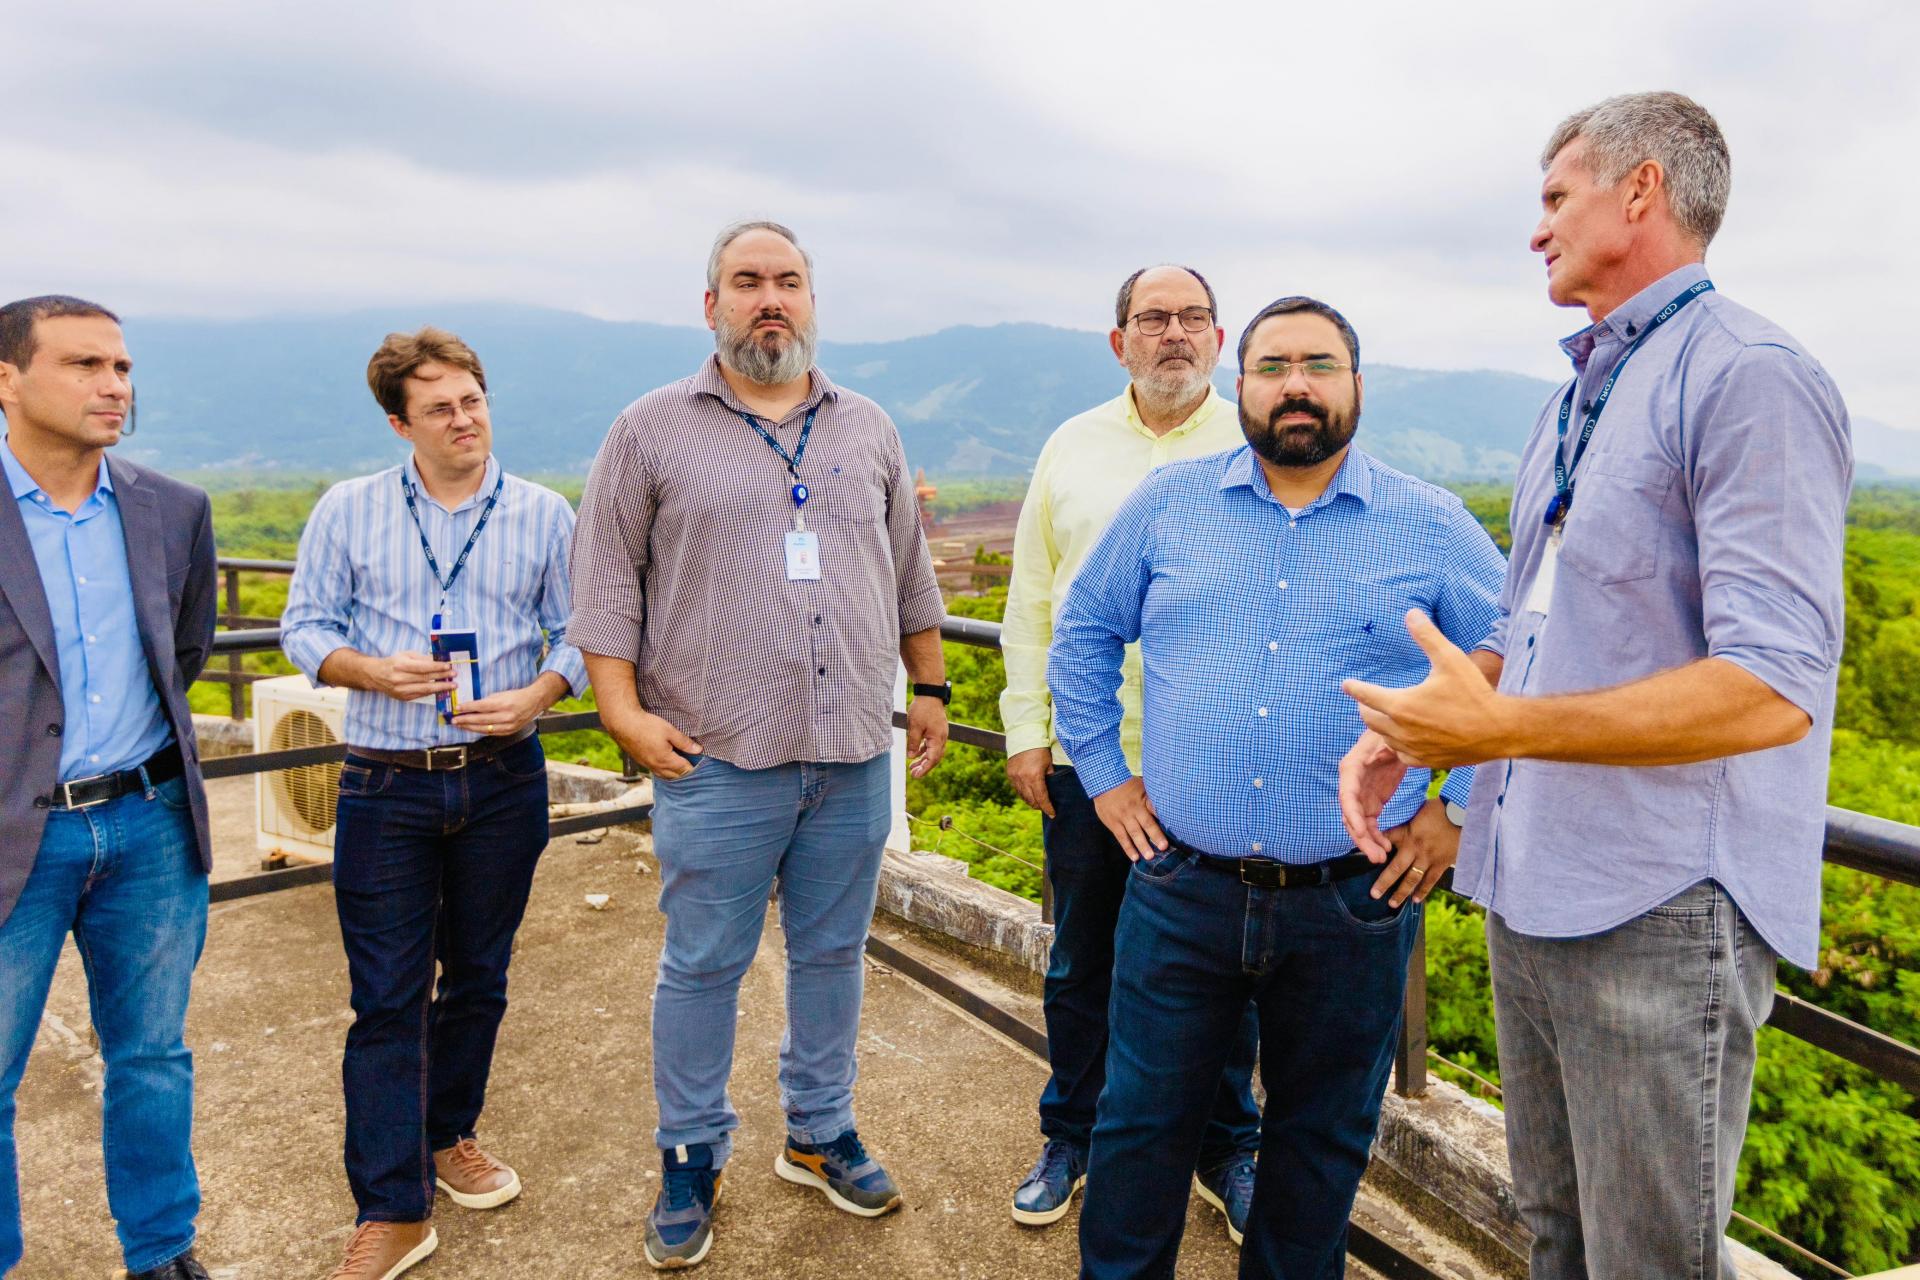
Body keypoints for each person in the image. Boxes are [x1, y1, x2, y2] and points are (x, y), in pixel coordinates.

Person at [1340, 92, 1850, 1279]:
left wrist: (1501, 724)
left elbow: (1775, 685)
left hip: (1661, 906)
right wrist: (1435, 724)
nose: (1537, 231)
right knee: (1558, 1238)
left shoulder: (1751, 377)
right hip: (1534, 884)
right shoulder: (1577, 396)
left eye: (1555, 197)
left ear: (1642, 192)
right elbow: (1549, 624)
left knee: (1648, 1261)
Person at [1050, 296, 1506, 1280]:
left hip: (1354, 899)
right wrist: (1106, 778)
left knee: (1317, 1151)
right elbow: (1082, 632)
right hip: (1181, 887)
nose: (1295, 383)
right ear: (1240, 381)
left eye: (1319, 363)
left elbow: (1520, 654)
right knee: (1137, 1135)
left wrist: (1458, 803)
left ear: (1355, 385)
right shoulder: (1169, 506)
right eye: (1273, 364)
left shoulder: (1430, 524)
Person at [568, 219, 950, 1271]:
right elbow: (603, 581)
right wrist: (620, 709)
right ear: (711, 305)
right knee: (703, 964)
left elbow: (907, 563)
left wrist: (930, 683)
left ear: (812, 301)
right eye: (748, 282)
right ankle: (691, 1149)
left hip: (849, 752)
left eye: (788, 281)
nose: (769, 298)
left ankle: (818, 1130)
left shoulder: (867, 425)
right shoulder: (648, 429)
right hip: (717, 752)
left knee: (832, 955)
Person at [281, 327, 586, 1280]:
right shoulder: (349, 510)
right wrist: (367, 668)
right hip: (383, 780)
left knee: (482, 978)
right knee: (386, 999)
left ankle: (450, 1133)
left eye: (474, 401)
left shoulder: (542, 513)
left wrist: (538, 693)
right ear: (398, 421)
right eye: (441, 408)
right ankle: (393, 1206)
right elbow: (303, 626)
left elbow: (584, 631)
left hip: (502, 778)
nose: (465, 420)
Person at [1000, 264, 1260, 1240]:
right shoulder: (1071, 446)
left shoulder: (1253, 440)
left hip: (1210, 768)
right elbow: (1032, 601)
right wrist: (1027, 729)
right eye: (1154, 318)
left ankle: (1228, 1145)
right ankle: (1070, 1133)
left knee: (1228, 971)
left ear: (1219, 337)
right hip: (1090, 762)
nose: (1175, 334)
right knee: (1081, 963)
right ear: (1120, 341)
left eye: (1193, 317)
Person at [0, 296, 219, 1280]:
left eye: (122, 366)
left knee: (152, 1054)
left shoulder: (173, 509)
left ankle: (162, 1248)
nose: (114, 384)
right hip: (15, 839)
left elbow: (186, 646)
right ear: (8, 378)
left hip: (149, 822)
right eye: (85, 363)